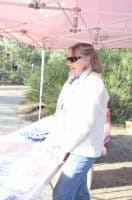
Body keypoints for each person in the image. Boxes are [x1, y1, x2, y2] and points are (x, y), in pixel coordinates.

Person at [51, 42, 109, 200]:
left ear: (87, 59)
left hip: (82, 149)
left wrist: (65, 149)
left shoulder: (93, 84)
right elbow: (63, 108)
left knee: (61, 194)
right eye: (68, 59)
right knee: (79, 193)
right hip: (75, 145)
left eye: (73, 59)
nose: (68, 62)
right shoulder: (75, 80)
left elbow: (85, 124)